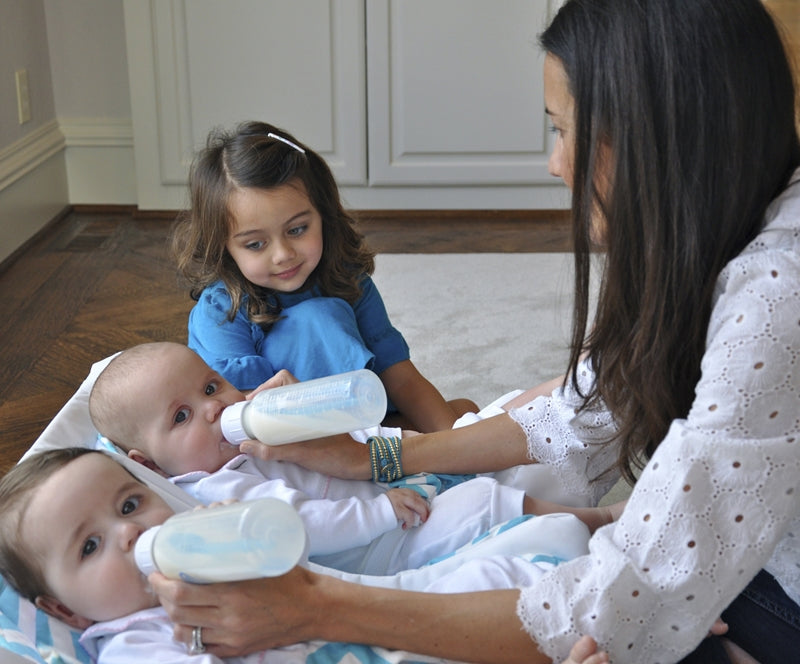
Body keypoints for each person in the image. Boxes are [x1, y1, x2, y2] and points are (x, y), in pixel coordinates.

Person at [145, 1, 800, 662]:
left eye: (567, 130)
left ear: (661, 135)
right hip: (749, 549)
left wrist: (315, 608)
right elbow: (585, 413)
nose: (555, 163)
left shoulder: (776, 296)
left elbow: (619, 601)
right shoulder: (729, 227)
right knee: (524, 431)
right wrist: (386, 456)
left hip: (781, 594)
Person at [0, 448, 611, 664]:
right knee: (560, 603)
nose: (128, 535)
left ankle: (608, 563)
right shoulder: (135, 639)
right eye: (89, 545)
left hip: (377, 608)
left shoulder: (206, 540)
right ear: (67, 611)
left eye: (130, 505)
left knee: (546, 541)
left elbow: (317, 567)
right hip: (365, 649)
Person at [88, 342, 612, 576]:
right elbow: (303, 523)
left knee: (510, 410)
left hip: (405, 480)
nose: (213, 409)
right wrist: (380, 512)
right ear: (151, 465)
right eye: (181, 417)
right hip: (387, 541)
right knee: (479, 501)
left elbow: (364, 437)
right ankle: (599, 522)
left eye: (211, 386)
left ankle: (593, 381)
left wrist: (305, 411)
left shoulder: (257, 433)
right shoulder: (219, 492)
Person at [171, 120, 477, 432]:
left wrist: (456, 442)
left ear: (323, 215)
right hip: (275, 430)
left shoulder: (349, 281)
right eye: (255, 244)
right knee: (319, 318)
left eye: (297, 229)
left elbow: (399, 375)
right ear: (223, 246)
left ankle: (374, 445)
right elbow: (234, 414)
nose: (283, 254)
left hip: (357, 413)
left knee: (462, 414)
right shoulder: (221, 310)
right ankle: (367, 453)